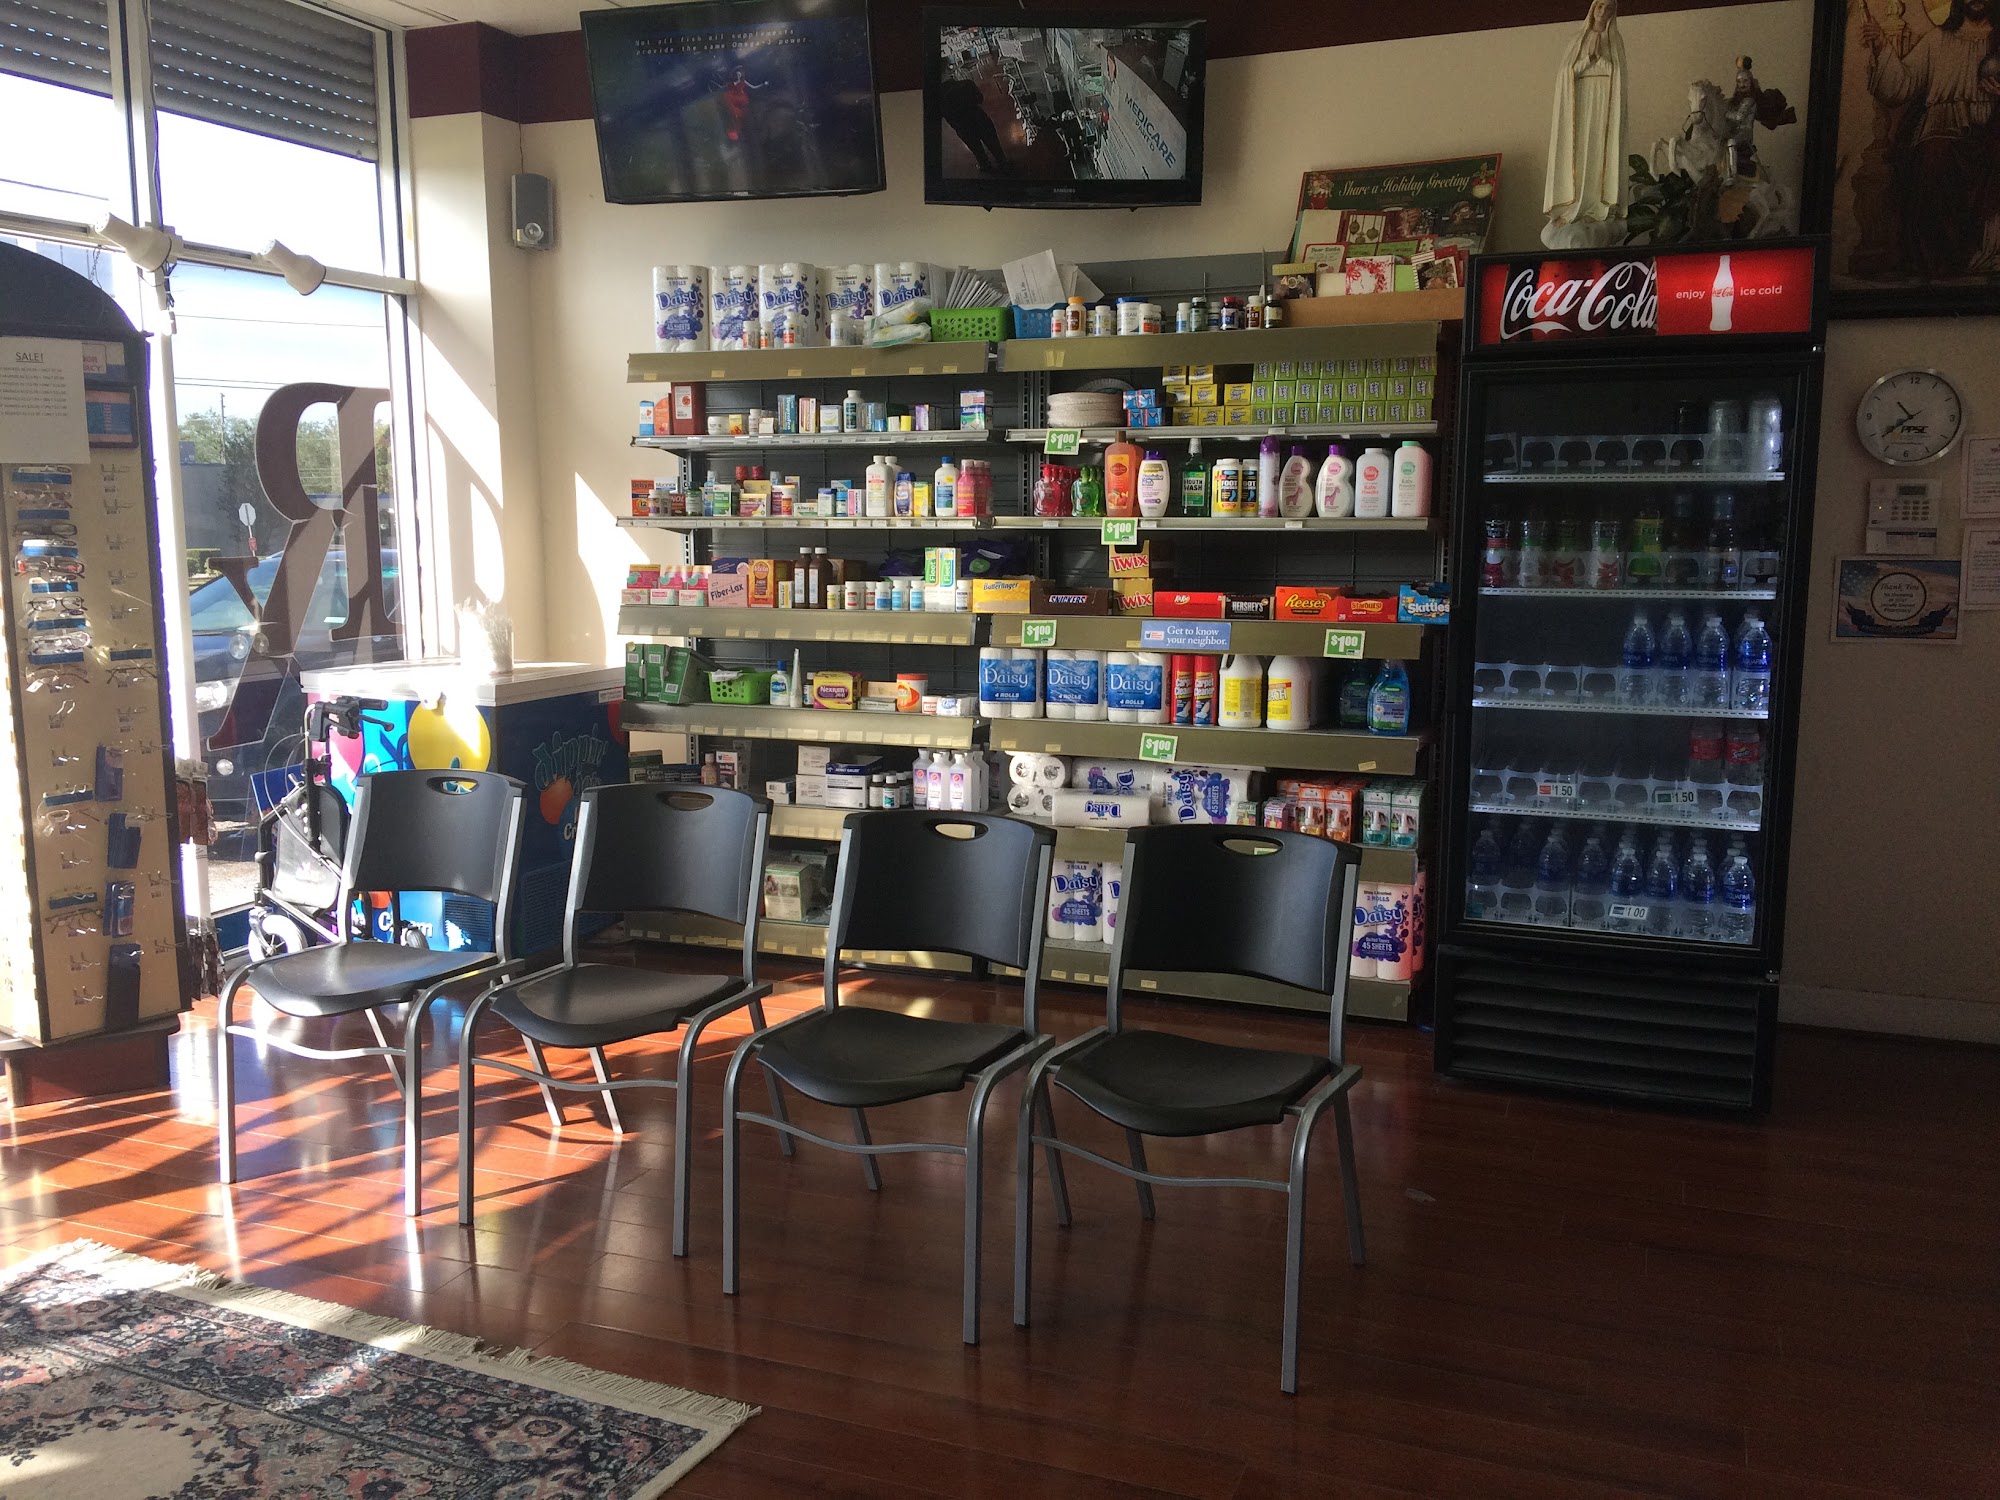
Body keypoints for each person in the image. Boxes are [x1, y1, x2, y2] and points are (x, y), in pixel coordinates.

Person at [1861, 0, 2000, 277]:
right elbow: (1900, 86)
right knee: (1934, 156)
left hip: (1992, 131)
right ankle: (1939, 258)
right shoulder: (1937, 40)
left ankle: (1985, 251)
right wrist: (1880, 45)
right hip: (1941, 127)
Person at [1541, 0, 1628, 247]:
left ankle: (1596, 209)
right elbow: (1565, 73)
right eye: (1600, 7)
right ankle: (1571, 209)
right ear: (1593, 9)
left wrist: (1600, 62)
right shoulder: (1576, 40)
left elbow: (1618, 75)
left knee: (1598, 155)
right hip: (1579, 103)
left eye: (1608, 9)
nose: (1603, 12)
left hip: (1603, 104)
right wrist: (1587, 61)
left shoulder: (1615, 41)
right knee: (1577, 156)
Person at [938, 73, 1008, 174]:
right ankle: (1002, 162)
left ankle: (985, 165)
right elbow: (980, 99)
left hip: (962, 128)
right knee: (993, 142)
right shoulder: (967, 83)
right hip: (980, 120)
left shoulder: (938, 100)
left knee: (976, 149)